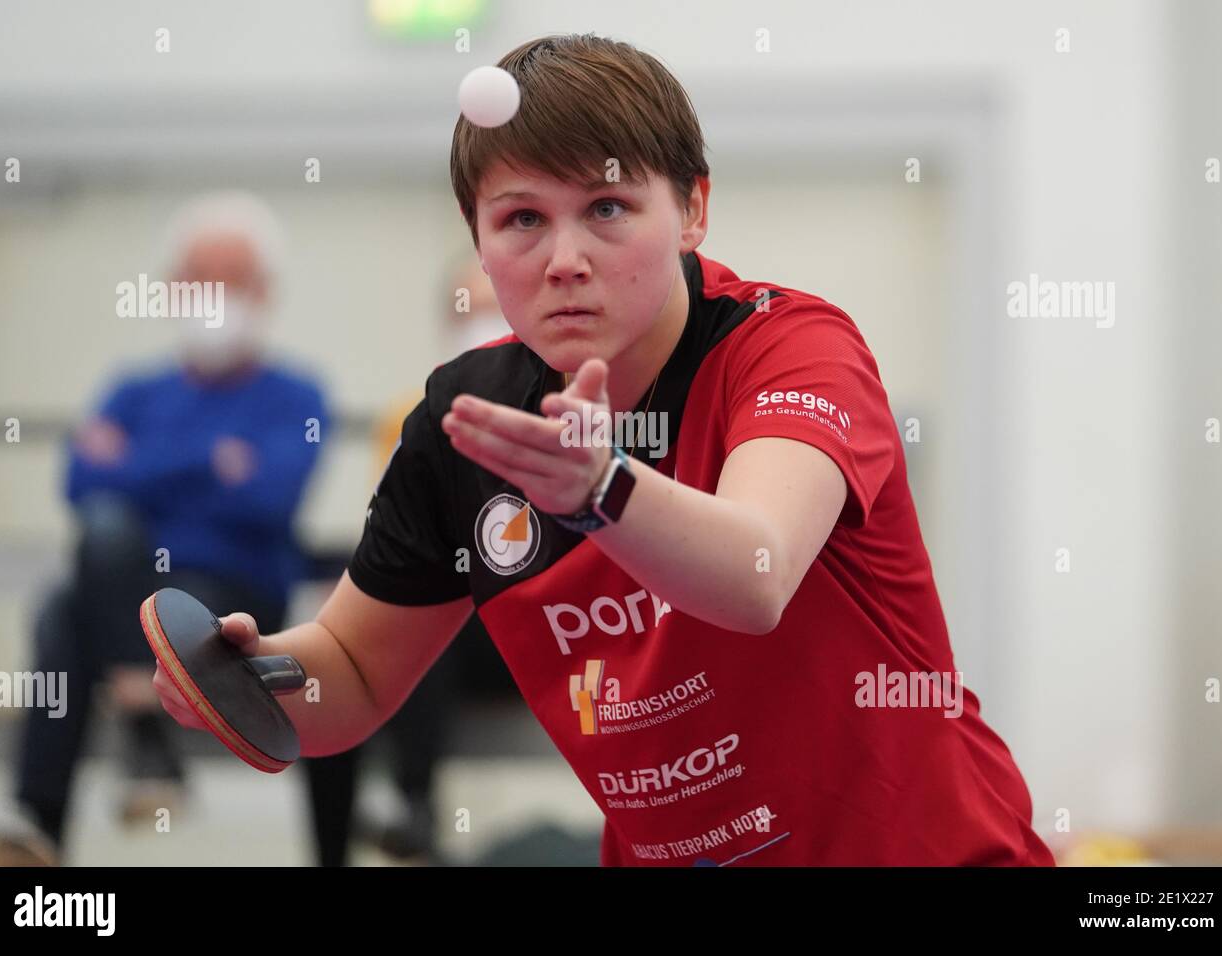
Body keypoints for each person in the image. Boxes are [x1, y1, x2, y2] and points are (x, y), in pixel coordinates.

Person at [153, 35, 1054, 866]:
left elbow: (756, 572)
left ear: (693, 208)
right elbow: (351, 673)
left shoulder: (791, 347)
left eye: (608, 207)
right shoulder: (465, 420)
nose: (565, 259)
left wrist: (601, 490)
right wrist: (250, 680)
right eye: (521, 221)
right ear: (479, 238)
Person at [0, 191, 329, 866]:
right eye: (198, 280)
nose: (213, 298)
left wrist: (140, 467)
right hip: (129, 587)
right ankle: (113, 766)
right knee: (90, 560)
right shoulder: (134, 388)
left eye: (230, 281)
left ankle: (69, 798)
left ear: (264, 291)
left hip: (233, 600)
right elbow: (82, 486)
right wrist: (211, 461)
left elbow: (268, 502)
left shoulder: (297, 395)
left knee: (82, 594)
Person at [302, 256, 513, 866]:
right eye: (467, 309)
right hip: (447, 617)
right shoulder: (416, 413)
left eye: (493, 306)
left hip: (528, 623)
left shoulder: (566, 407)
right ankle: (365, 836)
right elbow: (404, 536)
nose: (481, 322)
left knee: (423, 617)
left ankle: (413, 802)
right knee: (331, 650)